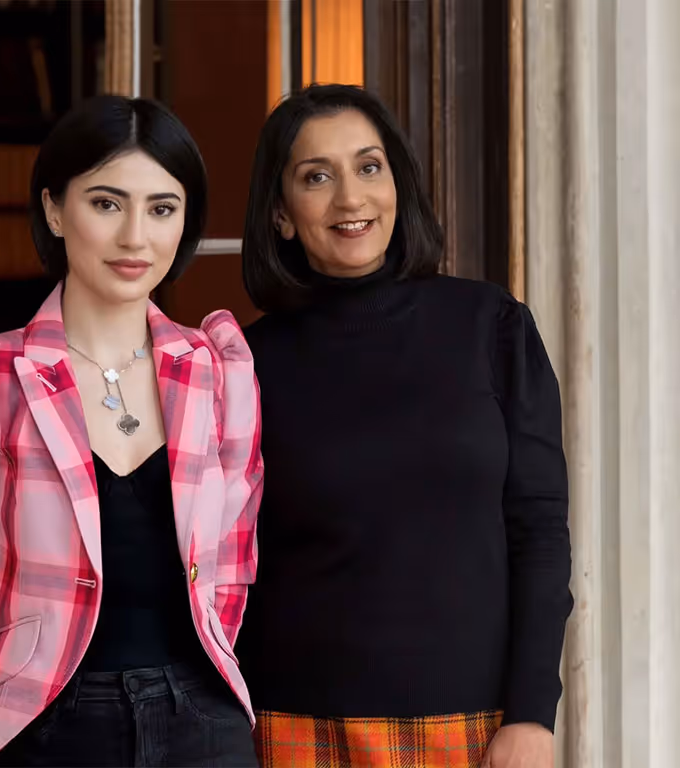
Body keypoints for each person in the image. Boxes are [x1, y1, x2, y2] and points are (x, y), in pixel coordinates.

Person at [0, 95, 263, 768]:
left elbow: (232, 571)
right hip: (40, 725)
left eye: (162, 208)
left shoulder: (218, 370)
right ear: (54, 209)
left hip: (204, 727)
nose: (135, 238)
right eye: (105, 203)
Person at [235, 84, 573, 768]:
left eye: (369, 167)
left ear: (398, 184)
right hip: (293, 727)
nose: (351, 199)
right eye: (316, 177)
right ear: (280, 214)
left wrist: (533, 714)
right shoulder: (244, 363)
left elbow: (538, 528)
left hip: (475, 730)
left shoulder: (491, 327)